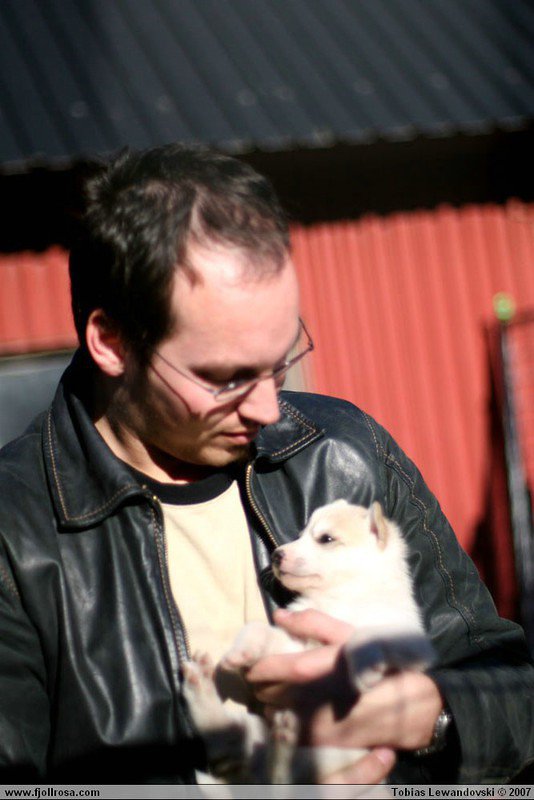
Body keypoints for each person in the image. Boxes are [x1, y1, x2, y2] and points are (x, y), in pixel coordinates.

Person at [0, 143, 532, 785]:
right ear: (111, 343)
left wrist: (430, 716)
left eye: (280, 362)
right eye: (226, 378)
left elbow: (512, 695)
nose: (268, 407)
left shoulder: (346, 455)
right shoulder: (15, 536)